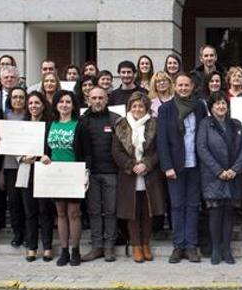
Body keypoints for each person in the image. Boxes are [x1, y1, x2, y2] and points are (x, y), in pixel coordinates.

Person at [157, 73, 209, 263]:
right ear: (175, 86)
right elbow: (161, 141)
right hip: (175, 167)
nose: (184, 88)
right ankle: (178, 246)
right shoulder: (166, 109)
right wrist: (167, 166)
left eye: (187, 85)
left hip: (195, 164)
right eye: (180, 85)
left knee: (193, 206)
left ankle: (191, 246)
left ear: (192, 86)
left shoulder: (200, 107)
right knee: (177, 206)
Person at [112, 92, 164, 263]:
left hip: (149, 175)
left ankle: (146, 244)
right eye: (134, 106)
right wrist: (131, 165)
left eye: (141, 106)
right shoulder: (120, 125)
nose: (137, 109)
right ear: (129, 107)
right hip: (129, 176)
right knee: (132, 213)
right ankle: (136, 246)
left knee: (147, 212)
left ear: (146, 108)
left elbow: (158, 150)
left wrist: (146, 164)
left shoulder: (154, 124)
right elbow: (116, 151)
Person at [196, 92, 242, 265]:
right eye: (217, 104)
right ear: (211, 107)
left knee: (229, 214)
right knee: (215, 214)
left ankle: (227, 248)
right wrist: (219, 171)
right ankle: (216, 249)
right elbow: (202, 148)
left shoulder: (236, 124)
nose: (221, 106)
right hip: (213, 176)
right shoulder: (205, 124)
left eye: (223, 103)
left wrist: (235, 169)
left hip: (233, 176)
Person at [77, 87, 121, 262]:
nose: (97, 101)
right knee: (94, 211)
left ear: (106, 99)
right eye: (94, 98)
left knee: (111, 210)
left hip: (111, 172)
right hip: (90, 173)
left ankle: (109, 247)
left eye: (100, 98)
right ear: (88, 99)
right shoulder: (82, 120)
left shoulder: (116, 120)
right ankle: (97, 247)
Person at [41, 90, 84, 267]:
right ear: (56, 104)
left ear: (73, 105)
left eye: (68, 102)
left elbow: (86, 153)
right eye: (61, 102)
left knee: (73, 213)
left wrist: (85, 173)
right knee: (60, 213)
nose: (64, 105)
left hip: (73, 173)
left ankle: (75, 251)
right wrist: (44, 157)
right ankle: (64, 250)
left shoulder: (79, 125)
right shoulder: (50, 125)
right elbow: (45, 149)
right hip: (55, 175)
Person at [18, 92, 54, 262]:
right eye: (30, 103)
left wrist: (48, 157)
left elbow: (54, 147)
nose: (33, 105)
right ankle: (31, 247)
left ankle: (47, 247)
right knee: (29, 212)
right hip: (27, 171)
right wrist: (22, 158)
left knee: (45, 211)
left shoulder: (50, 125)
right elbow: (14, 148)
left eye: (37, 102)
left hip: (44, 171)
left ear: (43, 105)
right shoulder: (22, 125)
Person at [0, 86, 28, 248]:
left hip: (28, 164)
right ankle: (17, 234)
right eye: (15, 97)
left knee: (27, 202)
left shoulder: (30, 117)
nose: (18, 100)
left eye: (21, 97)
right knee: (14, 202)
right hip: (9, 165)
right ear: (10, 99)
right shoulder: (4, 118)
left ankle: (29, 234)